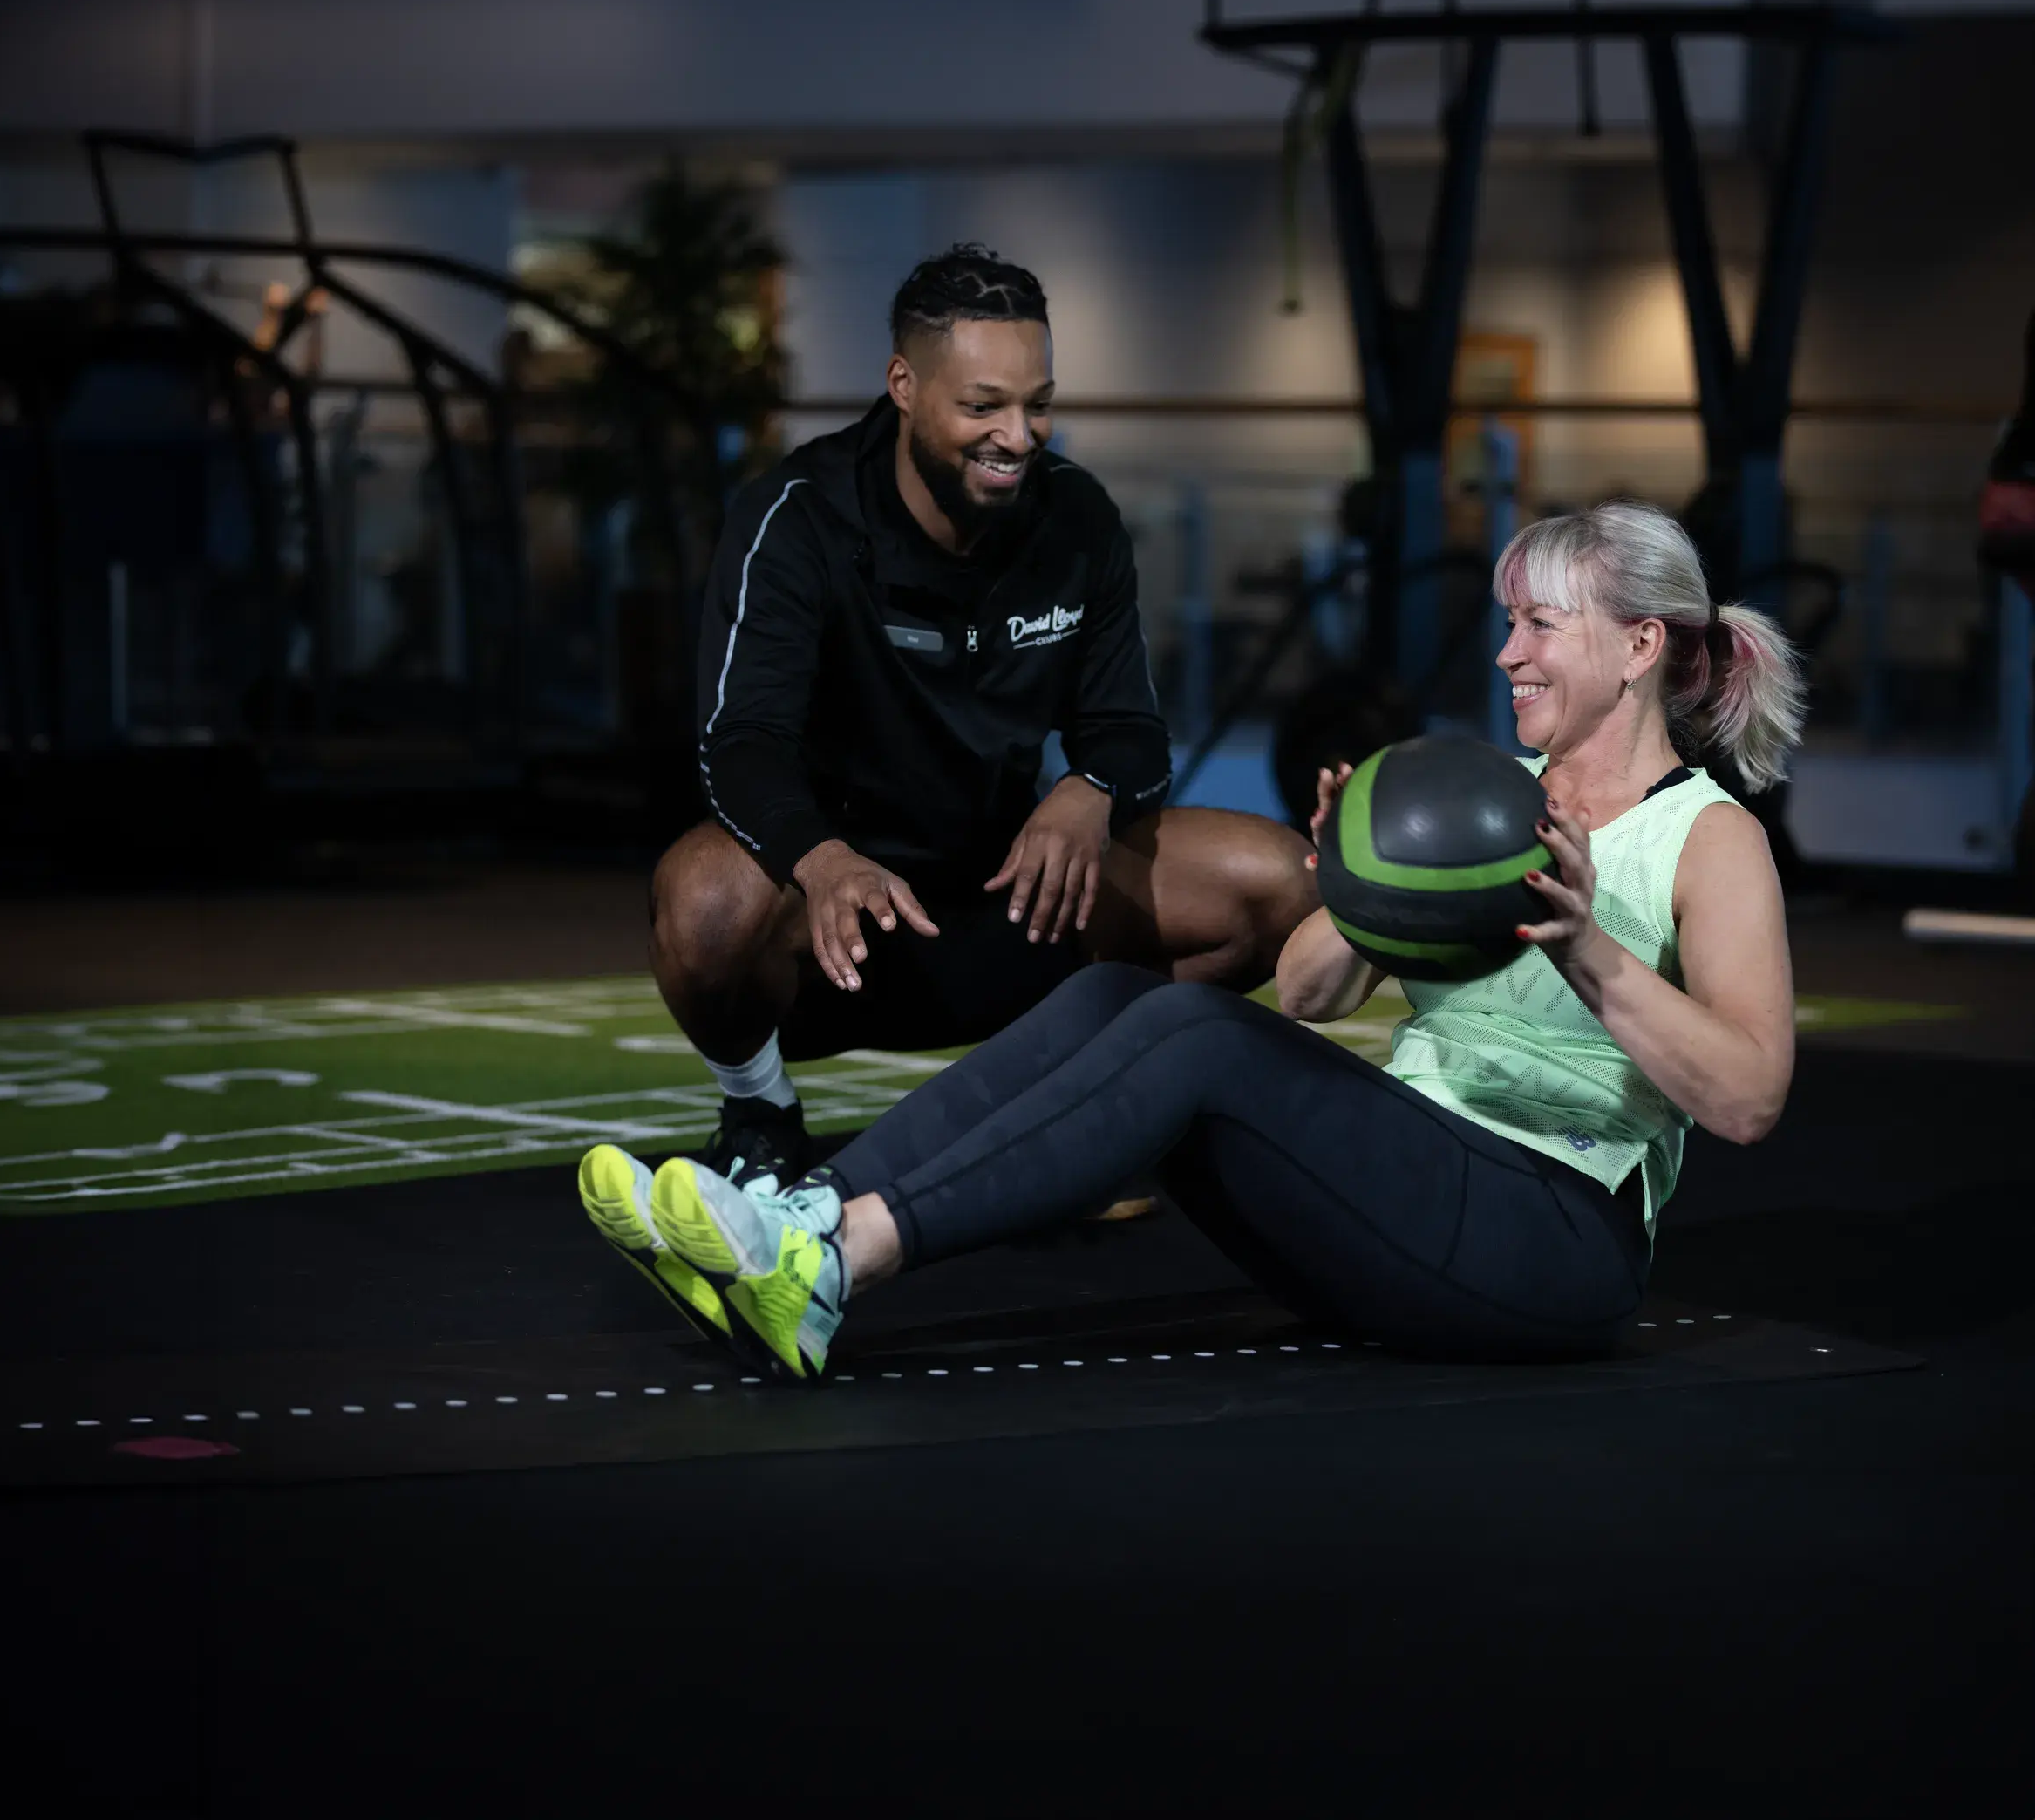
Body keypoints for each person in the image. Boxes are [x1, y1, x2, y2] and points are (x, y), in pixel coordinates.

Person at [583, 501, 1805, 1376]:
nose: (1507, 653)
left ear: (1641, 646)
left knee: (1196, 1033)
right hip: (1407, 1192)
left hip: (1551, 1241)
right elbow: (1313, 996)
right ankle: (795, 1220)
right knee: (1127, 998)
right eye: (1510, 623)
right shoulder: (1498, 797)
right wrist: (1357, 885)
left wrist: (1582, 947)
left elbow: (1749, 1100)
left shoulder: (1707, 840)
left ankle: (836, 1266)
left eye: (1539, 626)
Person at [652, 245, 1317, 1183]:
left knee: (1281, 880)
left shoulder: (1076, 517)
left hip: (1018, 897)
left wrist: (1087, 792)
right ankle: (761, 1115)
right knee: (703, 899)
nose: (1020, 434)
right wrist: (821, 856)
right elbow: (740, 743)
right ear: (903, 387)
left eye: (1037, 402)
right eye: (983, 406)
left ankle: (1063, 1098)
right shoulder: (796, 518)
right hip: (839, 918)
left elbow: (1128, 729)